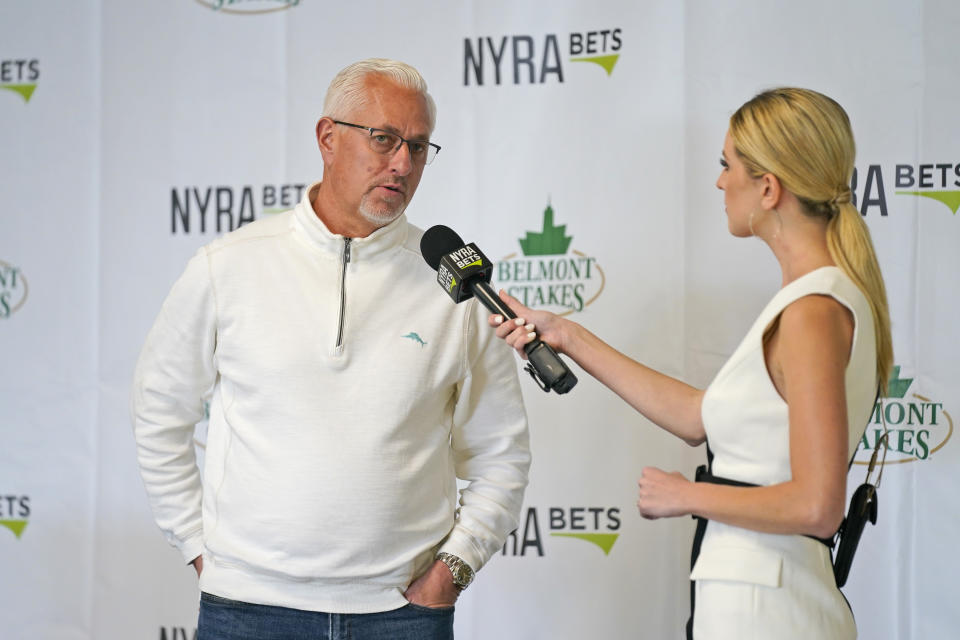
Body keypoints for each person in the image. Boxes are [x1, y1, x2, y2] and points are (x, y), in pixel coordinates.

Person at [131, 58, 530, 640]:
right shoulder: (229, 266)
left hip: (403, 616)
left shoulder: (456, 284)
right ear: (327, 138)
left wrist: (451, 571)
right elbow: (159, 411)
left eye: (418, 147)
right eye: (384, 138)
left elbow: (501, 453)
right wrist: (198, 546)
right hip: (247, 610)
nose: (402, 163)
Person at [492, 88, 891, 639]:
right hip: (758, 605)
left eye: (728, 166)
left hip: (771, 613)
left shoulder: (813, 311)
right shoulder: (815, 300)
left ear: (769, 188)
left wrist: (687, 495)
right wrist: (569, 336)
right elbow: (697, 417)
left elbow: (818, 505)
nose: (720, 182)